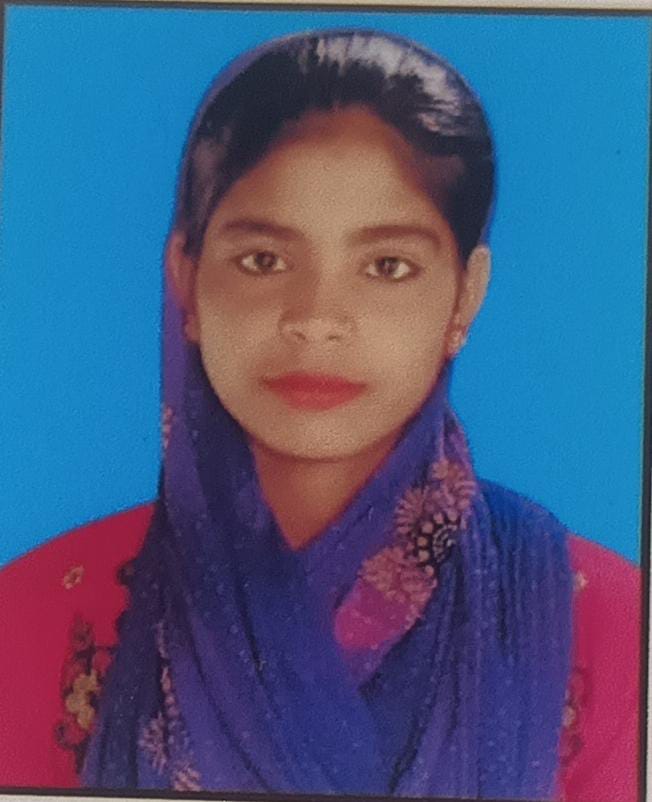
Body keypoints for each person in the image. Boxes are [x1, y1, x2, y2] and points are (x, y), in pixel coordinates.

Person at [0, 29, 641, 801]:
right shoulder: (35, 617)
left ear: (465, 295)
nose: (316, 319)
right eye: (264, 260)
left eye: (387, 266)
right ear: (186, 279)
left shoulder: (609, 628)